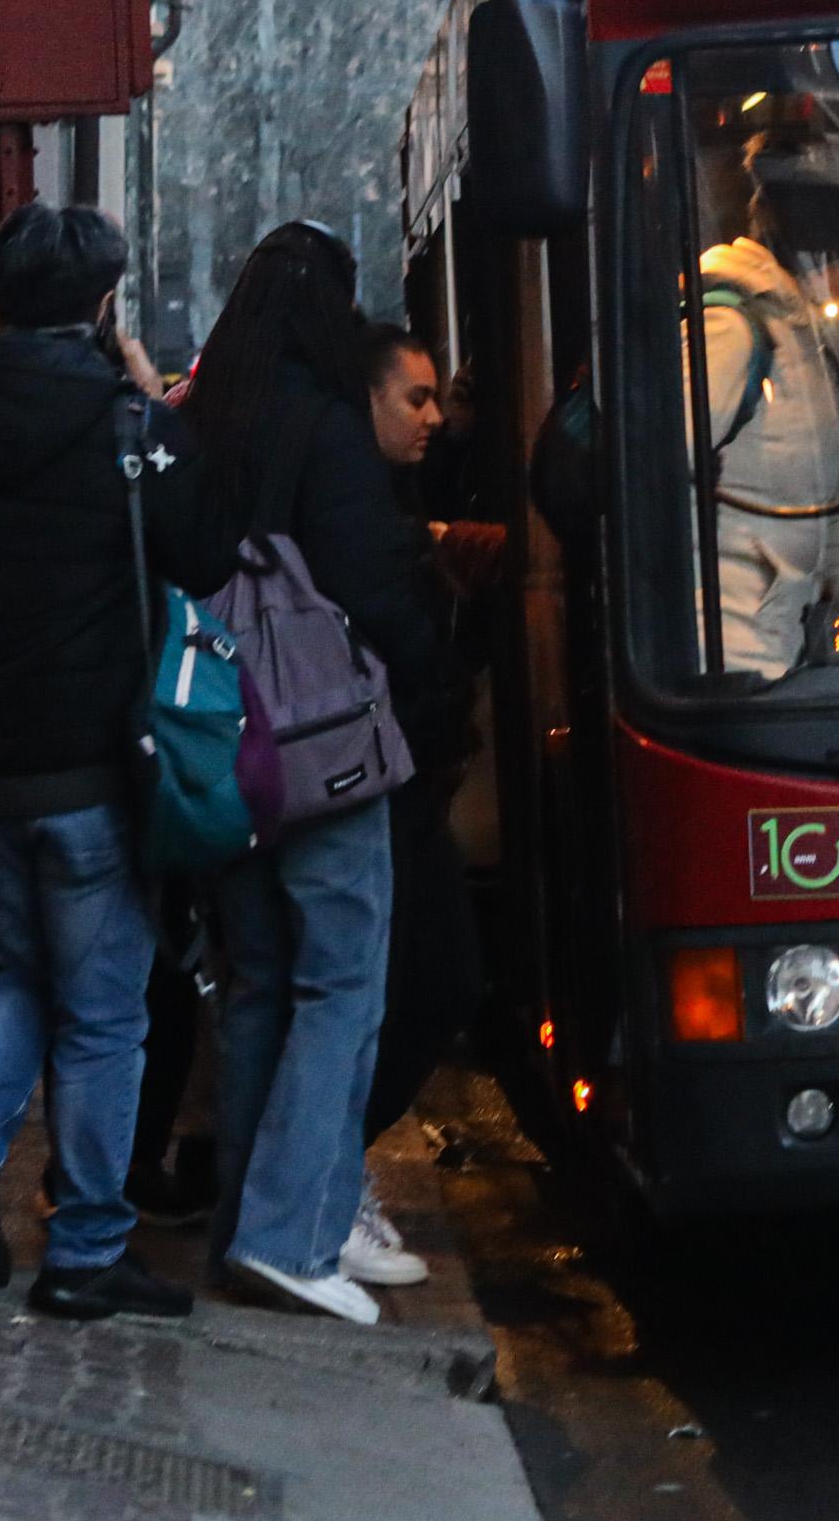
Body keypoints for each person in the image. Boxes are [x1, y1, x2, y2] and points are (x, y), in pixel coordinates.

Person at [0, 204, 235, 1321]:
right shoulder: (127, 425)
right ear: (102, 302)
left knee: (23, 975)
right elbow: (208, 548)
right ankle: (84, 1246)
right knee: (103, 1013)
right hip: (96, 770)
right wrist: (153, 393)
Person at [183, 222, 440, 1324]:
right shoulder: (327, 429)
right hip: (322, 748)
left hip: (220, 754)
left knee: (257, 986)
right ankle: (295, 1231)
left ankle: (260, 1217)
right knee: (343, 981)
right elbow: (373, 588)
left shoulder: (198, 423)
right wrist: (424, 651)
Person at [344, 324, 495, 1285]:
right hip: (371, 783)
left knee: (411, 984)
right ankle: (317, 1176)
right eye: (415, 398)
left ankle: (318, 1171)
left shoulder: (384, 499)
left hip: (394, 779)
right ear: (365, 401)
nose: (435, 416)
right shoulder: (351, 509)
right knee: (401, 985)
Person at [696, 129, 839, 676]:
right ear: (820, 256)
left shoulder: (800, 344)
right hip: (724, 659)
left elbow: (835, 516)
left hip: (774, 651)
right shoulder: (731, 331)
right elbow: (652, 486)